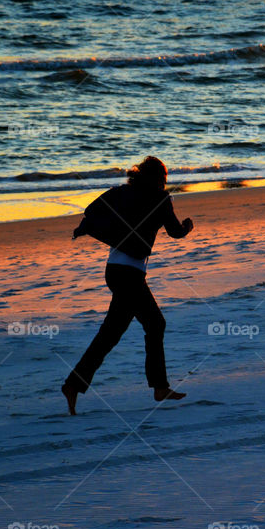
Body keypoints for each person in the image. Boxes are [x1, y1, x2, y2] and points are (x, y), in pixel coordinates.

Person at [62, 156, 194, 415]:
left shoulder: (124, 193)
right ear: (158, 178)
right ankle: (159, 387)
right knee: (155, 323)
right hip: (130, 275)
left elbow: (92, 210)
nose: (165, 182)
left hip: (115, 271)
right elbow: (175, 232)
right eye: (163, 178)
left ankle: (73, 385)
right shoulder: (161, 200)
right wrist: (188, 227)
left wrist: (87, 228)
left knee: (110, 335)